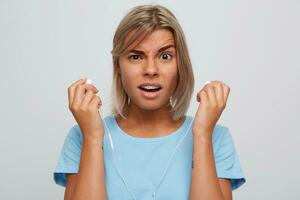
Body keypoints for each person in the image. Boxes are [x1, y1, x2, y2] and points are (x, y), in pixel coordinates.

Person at [53, 4, 246, 200]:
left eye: (165, 56)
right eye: (136, 56)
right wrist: (93, 138)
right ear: (118, 66)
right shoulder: (82, 136)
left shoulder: (216, 137)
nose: (151, 70)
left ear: (181, 65)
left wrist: (203, 134)